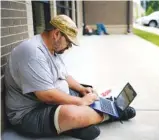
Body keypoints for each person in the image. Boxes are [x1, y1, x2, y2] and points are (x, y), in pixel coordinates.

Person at [4, 14, 135, 140]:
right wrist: (81, 102)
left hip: (50, 102)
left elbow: (65, 76)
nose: (69, 47)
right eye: (68, 42)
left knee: (88, 93)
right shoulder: (33, 53)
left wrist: (81, 89)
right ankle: (112, 114)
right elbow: (47, 96)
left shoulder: (52, 49)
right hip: (29, 114)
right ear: (56, 34)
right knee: (74, 114)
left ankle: (94, 114)